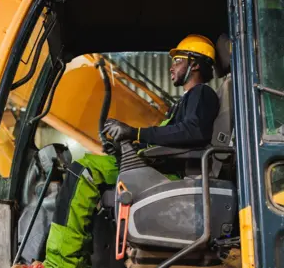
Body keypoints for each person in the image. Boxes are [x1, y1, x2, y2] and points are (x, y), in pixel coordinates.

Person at [15, 34, 220, 268]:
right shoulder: (185, 101)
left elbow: (193, 132)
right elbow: (172, 136)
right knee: (86, 167)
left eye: (177, 61)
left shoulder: (202, 94)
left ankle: (61, 263)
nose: (171, 67)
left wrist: (135, 134)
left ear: (194, 63)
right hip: (159, 165)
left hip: (168, 173)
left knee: (83, 171)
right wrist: (127, 145)